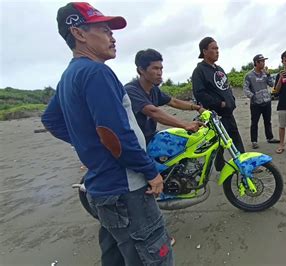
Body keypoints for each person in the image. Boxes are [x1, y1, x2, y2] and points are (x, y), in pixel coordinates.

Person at [41, 3, 173, 265]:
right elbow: (117, 135)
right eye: (104, 29)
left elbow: (51, 119)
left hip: (102, 189)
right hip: (127, 189)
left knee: (116, 256)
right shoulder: (96, 72)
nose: (113, 37)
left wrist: (89, 145)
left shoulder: (70, 74)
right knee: (153, 256)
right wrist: (150, 171)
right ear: (79, 33)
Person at [125, 49, 205, 144]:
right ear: (141, 70)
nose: (159, 72)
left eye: (161, 68)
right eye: (155, 68)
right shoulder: (130, 90)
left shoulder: (153, 89)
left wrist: (197, 108)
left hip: (150, 137)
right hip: (134, 143)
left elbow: (173, 101)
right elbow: (153, 112)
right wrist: (185, 124)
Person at [191, 37, 245, 171]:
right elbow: (199, 93)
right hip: (215, 115)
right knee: (219, 143)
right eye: (213, 48)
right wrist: (219, 103)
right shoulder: (199, 71)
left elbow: (226, 86)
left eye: (217, 48)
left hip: (228, 113)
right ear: (204, 51)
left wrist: (231, 100)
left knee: (235, 138)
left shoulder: (219, 69)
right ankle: (219, 166)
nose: (217, 51)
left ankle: (244, 164)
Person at [243, 54, 279, 149]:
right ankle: (254, 141)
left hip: (266, 101)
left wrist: (268, 75)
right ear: (256, 63)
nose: (264, 63)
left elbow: (272, 84)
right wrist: (252, 96)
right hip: (255, 104)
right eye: (262, 61)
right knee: (254, 122)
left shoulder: (265, 74)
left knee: (268, 121)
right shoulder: (249, 76)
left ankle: (270, 138)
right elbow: (245, 89)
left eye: (264, 61)